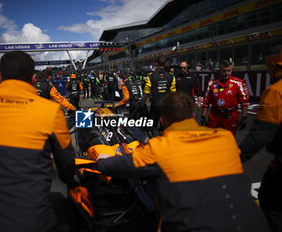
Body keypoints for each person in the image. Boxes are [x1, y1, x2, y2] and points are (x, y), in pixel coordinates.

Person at [97, 92, 272, 232]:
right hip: (254, 222)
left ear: (163, 120)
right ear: (192, 116)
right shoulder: (225, 138)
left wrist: (102, 160)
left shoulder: (159, 147)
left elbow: (118, 165)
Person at [0, 51, 76, 232]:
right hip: (30, 217)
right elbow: (67, 161)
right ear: (32, 77)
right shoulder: (50, 111)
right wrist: (70, 180)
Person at [239, 49, 282, 232]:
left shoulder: (276, 92)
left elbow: (259, 136)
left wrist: (233, 160)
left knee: (270, 207)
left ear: (274, 65)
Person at [201, 59, 249, 136]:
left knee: (228, 141)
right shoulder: (212, 83)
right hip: (214, 116)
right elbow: (206, 100)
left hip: (230, 117)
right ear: (219, 71)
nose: (226, 73)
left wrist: (244, 117)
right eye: (224, 71)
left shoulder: (239, 83)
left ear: (231, 70)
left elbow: (244, 102)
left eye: (228, 71)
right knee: (212, 140)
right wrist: (203, 116)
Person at [143, 56, 176, 131]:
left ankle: (156, 140)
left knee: (154, 126)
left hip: (155, 105)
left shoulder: (151, 76)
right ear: (165, 64)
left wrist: (142, 102)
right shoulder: (171, 76)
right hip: (166, 106)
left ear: (156, 64)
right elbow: (173, 93)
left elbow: (146, 92)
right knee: (164, 126)